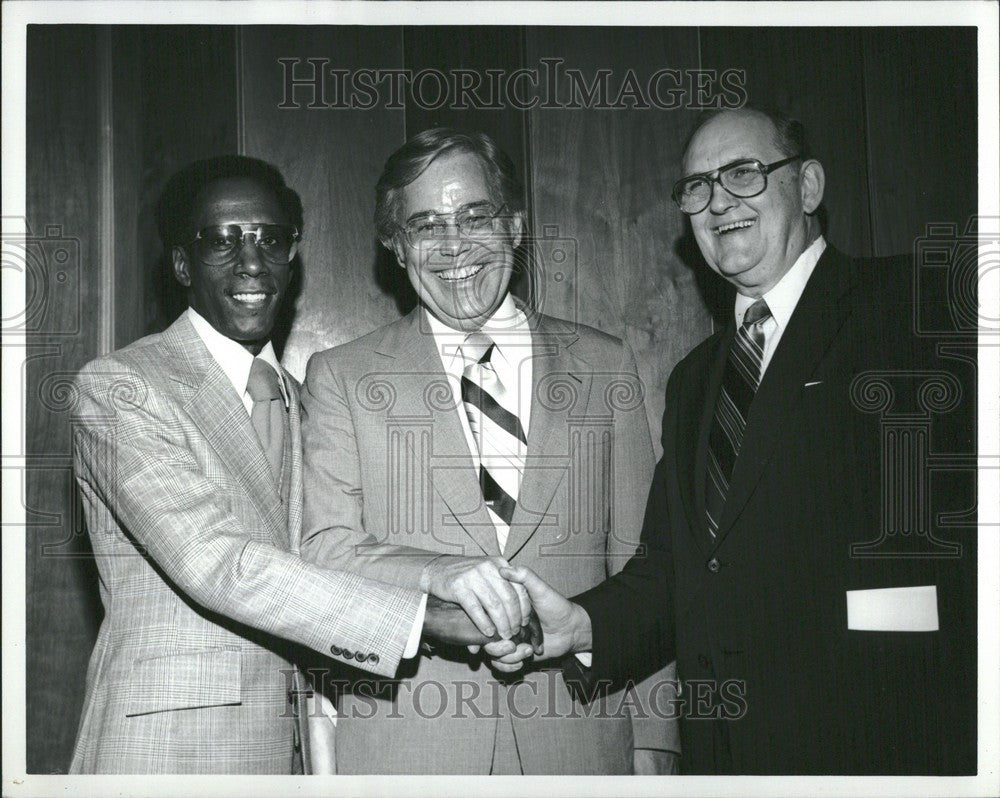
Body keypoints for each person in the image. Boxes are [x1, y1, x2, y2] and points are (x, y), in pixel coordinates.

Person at [490, 107, 977, 775]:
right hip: (729, 757)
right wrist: (573, 627)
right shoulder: (695, 381)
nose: (718, 200)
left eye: (743, 174)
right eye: (697, 187)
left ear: (807, 187)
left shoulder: (919, 307)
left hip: (890, 740)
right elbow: (672, 572)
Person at [69, 155, 501, 774]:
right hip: (166, 757)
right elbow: (217, 563)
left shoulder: (309, 402)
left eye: (271, 239)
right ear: (181, 264)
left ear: (292, 257)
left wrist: (455, 580)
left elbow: (340, 554)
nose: (252, 262)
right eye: (221, 241)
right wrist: (426, 617)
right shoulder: (120, 388)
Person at [299, 129, 679, 774]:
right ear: (395, 247)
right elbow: (325, 549)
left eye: (476, 217)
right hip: (411, 747)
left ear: (517, 226)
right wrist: (438, 571)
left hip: (581, 746)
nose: (455, 246)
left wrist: (654, 742)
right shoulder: (343, 376)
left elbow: (648, 570)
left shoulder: (605, 366)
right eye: (426, 226)